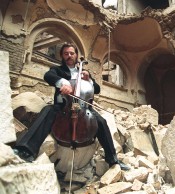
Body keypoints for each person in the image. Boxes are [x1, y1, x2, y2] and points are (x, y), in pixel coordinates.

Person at [13, 43, 130, 171]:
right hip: (63, 106)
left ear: (76, 55)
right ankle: (26, 150)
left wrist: (89, 80)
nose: (69, 56)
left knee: (102, 122)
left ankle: (113, 160)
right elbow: (48, 76)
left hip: (84, 108)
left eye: (72, 53)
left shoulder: (84, 73)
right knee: (47, 111)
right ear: (62, 56)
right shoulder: (58, 70)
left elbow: (96, 89)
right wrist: (63, 82)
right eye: (66, 54)